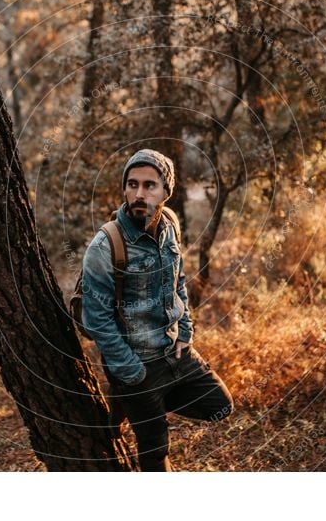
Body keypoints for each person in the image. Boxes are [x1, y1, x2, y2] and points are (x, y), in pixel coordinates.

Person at [81, 148, 234, 471]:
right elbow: (96, 320)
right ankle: (133, 399)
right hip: (138, 365)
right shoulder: (106, 245)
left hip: (175, 352)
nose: (139, 193)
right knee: (154, 455)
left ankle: (132, 402)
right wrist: (132, 375)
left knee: (220, 407)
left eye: (150, 185)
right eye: (132, 184)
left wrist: (186, 334)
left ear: (166, 191)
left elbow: (178, 283)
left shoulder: (170, 225)